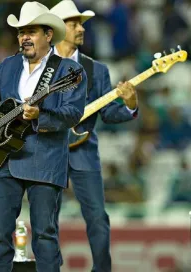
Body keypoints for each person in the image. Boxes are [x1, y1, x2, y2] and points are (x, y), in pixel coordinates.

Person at [0, 2, 87, 271]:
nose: (24, 37)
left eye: (30, 31)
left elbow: (73, 113)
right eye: (20, 32)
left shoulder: (67, 71)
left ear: (48, 35)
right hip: (4, 159)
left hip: (45, 161)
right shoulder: (8, 66)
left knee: (44, 236)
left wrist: (38, 115)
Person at [49, 1, 138, 271]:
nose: (81, 29)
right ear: (56, 29)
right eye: (73, 24)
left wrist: (130, 105)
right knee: (45, 220)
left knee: (98, 217)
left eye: (81, 24)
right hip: (48, 150)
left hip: (84, 148)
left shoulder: (96, 70)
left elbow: (110, 113)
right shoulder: (37, 67)